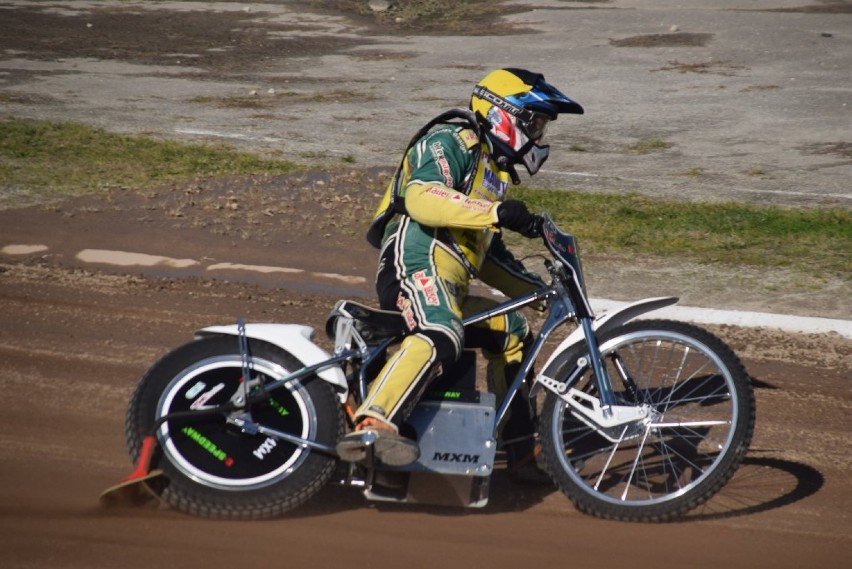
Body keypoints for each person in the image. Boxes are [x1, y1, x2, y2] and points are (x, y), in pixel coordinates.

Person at [336, 68, 584, 472]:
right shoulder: (452, 139)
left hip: (450, 279)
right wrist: (495, 211)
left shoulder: (494, 172)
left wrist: (545, 293)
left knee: (513, 332)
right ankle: (374, 422)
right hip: (416, 257)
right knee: (441, 330)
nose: (538, 135)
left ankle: (520, 448)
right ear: (503, 114)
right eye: (534, 122)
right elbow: (421, 198)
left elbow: (487, 256)